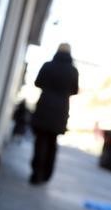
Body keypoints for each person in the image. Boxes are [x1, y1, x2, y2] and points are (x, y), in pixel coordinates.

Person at [29, 43, 79, 185]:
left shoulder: (48, 66)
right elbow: (74, 90)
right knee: (52, 143)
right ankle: (46, 174)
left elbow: (38, 82)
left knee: (40, 141)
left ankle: (36, 172)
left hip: (44, 106)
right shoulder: (73, 71)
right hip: (60, 111)